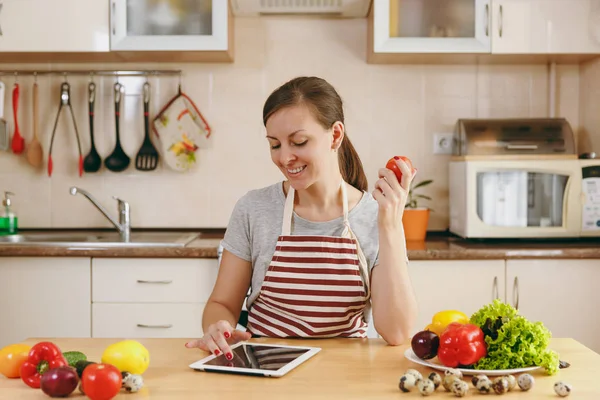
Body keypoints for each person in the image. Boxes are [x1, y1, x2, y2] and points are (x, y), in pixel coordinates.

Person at [185, 76, 418, 360]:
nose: (285, 158)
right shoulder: (254, 209)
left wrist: (390, 225)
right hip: (264, 372)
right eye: (275, 145)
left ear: (335, 136)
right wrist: (217, 327)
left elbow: (396, 332)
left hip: (345, 377)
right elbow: (221, 303)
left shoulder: (373, 215)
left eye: (298, 142)